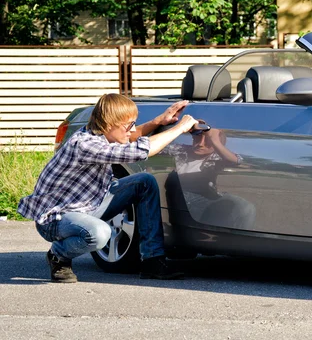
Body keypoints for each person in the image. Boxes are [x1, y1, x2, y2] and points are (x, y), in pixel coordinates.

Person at [18, 93, 199, 283]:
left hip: (88, 205)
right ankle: (58, 255)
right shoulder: (85, 145)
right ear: (109, 124)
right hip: (57, 217)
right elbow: (144, 150)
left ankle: (152, 261)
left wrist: (158, 121)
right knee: (98, 234)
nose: (132, 129)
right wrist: (180, 127)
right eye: (128, 125)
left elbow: (131, 137)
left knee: (143, 182)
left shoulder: (98, 134)